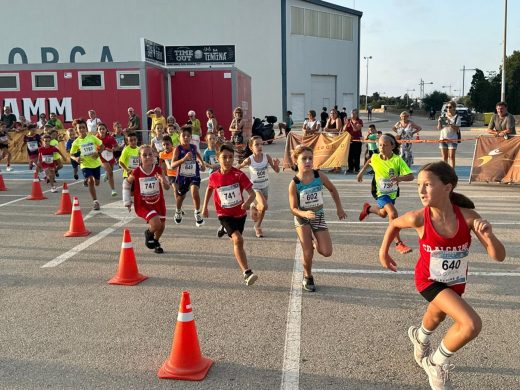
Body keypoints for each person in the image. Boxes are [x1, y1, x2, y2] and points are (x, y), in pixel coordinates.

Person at [379, 161, 505, 390]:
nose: (421, 190)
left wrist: (490, 236)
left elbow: (499, 256)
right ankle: (436, 363)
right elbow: (393, 225)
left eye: (427, 184)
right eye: (419, 185)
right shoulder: (418, 218)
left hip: (455, 283)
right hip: (428, 281)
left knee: (436, 316)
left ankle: (420, 336)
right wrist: (383, 252)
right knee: (470, 324)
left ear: (447, 187)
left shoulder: (468, 217)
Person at [288, 146, 347, 292]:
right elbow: (293, 208)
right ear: (296, 160)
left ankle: (314, 243)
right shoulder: (294, 183)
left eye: (310, 158)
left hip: (318, 216)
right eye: (304, 159)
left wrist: (339, 208)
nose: (308, 161)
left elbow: (333, 190)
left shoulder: (318, 176)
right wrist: (305, 214)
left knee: (326, 252)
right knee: (308, 252)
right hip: (302, 219)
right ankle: (308, 276)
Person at [201, 143, 258, 286]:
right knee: (238, 240)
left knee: (235, 239)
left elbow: (252, 193)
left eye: (230, 157)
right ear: (218, 159)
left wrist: (248, 204)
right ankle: (247, 272)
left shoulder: (239, 174)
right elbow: (209, 189)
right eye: (224, 157)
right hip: (224, 214)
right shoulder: (214, 176)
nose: (227, 160)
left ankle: (224, 229)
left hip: (240, 214)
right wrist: (204, 207)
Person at [357, 133, 414, 254]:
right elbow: (369, 160)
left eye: (385, 145)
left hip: (392, 192)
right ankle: (398, 243)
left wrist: (399, 178)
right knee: (392, 213)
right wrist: (361, 172)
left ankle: (368, 209)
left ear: (392, 146)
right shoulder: (376, 157)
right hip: (380, 191)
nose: (381, 147)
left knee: (383, 213)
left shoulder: (397, 160)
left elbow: (411, 176)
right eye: (380, 145)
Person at [123, 144, 170, 254]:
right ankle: (148, 233)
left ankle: (155, 242)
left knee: (161, 226)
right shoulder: (136, 172)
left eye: (150, 154)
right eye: (144, 155)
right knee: (156, 224)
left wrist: (163, 181)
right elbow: (126, 184)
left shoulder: (158, 169)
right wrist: (127, 201)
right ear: (140, 158)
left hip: (158, 202)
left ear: (154, 155)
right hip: (143, 203)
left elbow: (167, 187)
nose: (148, 157)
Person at [238, 136, 280, 238]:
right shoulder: (249, 160)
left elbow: (277, 170)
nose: (260, 146)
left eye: (261, 144)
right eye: (257, 144)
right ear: (251, 147)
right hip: (255, 188)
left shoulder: (267, 157)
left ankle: (257, 224)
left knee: (262, 209)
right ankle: (256, 218)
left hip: (265, 186)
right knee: (265, 205)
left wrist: (276, 165)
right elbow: (237, 168)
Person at [170, 126, 206, 227]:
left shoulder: (193, 147)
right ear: (179, 137)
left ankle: (197, 213)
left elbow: (197, 154)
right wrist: (184, 159)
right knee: (181, 197)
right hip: (182, 176)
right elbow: (172, 165)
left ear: (191, 137)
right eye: (183, 136)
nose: (186, 138)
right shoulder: (178, 149)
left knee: (195, 191)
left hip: (194, 174)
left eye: (188, 136)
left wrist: (201, 163)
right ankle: (178, 211)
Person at [70, 119, 105, 210]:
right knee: (91, 181)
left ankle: (88, 180)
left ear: (86, 128)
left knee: (97, 182)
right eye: (79, 128)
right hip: (85, 164)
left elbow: (102, 146)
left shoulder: (92, 137)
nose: (81, 129)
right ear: (76, 130)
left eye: (83, 127)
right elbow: (71, 154)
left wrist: (98, 153)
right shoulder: (76, 142)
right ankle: (95, 202)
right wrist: (76, 158)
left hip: (96, 163)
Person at [97, 123, 118, 196]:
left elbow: (116, 146)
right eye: (100, 129)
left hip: (110, 156)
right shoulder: (96, 138)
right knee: (110, 173)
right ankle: (113, 190)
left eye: (103, 129)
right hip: (101, 157)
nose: (102, 130)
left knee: (110, 171)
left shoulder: (110, 138)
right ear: (98, 130)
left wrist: (112, 150)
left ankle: (106, 173)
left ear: (106, 130)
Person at [438, 102, 461, 168]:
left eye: (450, 107)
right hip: (443, 138)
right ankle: (445, 172)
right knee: (444, 157)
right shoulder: (443, 116)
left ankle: (452, 172)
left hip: (453, 139)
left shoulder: (457, 117)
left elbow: (457, 129)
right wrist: (439, 122)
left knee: (451, 157)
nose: (448, 108)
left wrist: (450, 123)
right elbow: (439, 128)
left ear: (454, 108)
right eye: (447, 107)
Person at [344, 108, 364, 174]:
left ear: (357, 114)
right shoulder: (348, 120)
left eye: (354, 113)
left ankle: (357, 169)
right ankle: (350, 168)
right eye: (352, 113)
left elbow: (356, 129)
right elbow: (344, 130)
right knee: (350, 155)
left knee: (356, 155)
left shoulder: (359, 121)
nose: (352, 114)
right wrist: (346, 124)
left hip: (357, 140)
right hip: (349, 140)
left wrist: (351, 123)